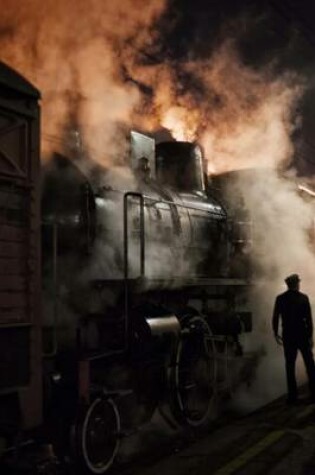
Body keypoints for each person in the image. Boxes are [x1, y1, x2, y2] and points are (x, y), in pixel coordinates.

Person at [272, 273, 315, 404]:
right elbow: (309, 319)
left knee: (290, 366)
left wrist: (275, 333)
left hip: (288, 335)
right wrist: (310, 336)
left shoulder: (280, 298)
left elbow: (275, 317)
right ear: (297, 284)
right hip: (302, 334)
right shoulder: (303, 298)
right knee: (310, 364)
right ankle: (314, 393)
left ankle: (292, 396)